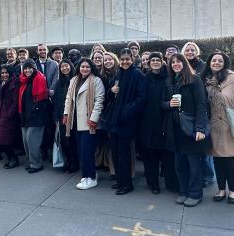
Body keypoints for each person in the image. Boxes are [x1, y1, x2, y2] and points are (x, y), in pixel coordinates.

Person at [163, 53, 210, 207]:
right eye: (173, 62)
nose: (176, 64)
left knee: (194, 164)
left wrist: (200, 128)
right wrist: (169, 104)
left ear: (184, 63)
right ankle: (183, 192)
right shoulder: (169, 81)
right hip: (175, 129)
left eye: (179, 61)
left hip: (190, 128)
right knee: (179, 164)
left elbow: (202, 105)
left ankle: (195, 194)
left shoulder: (194, 79)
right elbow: (161, 104)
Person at [203, 51, 234, 204]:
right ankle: (221, 189)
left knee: (229, 160)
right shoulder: (207, 81)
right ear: (209, 63)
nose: (216, 63)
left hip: (230, 125)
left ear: (225, 63)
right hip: (214, 125)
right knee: (217, 160)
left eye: (219, 61)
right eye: (213, 60)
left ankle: (233, 191)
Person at [102, 49, 147, 195]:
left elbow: (141, 99)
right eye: (122, 59)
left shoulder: (138, 74)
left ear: (132, 60)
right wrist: (111, 91)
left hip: (126, 121)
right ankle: (120, 181)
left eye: (127, 59)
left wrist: (126, 111)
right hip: (115, 120)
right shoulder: (119, 73)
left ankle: (127, 184)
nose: (125, 62)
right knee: (115, 152)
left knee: (124, 154)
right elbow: (110, 94)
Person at [64, 58, 105, 190]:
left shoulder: (96, 81)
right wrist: (66, 114)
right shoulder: (74, 80)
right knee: (82, 150)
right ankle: (86, 175)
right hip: (75, 121)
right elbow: (68, 99)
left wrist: (93, 119)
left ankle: (91, 177)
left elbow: (100, 101)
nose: (85, 69)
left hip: (89, 122)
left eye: (87, 67)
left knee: (87, 151)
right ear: (79, 68)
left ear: (91, 68)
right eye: (82, 67)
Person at [139, 52, 178, 194]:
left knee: (167, 154)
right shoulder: (144, 78)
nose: (155, 62)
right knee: (149, 155)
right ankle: (153, 183)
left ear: (162, 62)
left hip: (165, 120)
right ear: (148, 63)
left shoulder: (168, 78)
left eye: (158, 60)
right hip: (147, 122)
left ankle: (171, 183)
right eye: (152, 60)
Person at [182, 41, 214, 186]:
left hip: (202, 108)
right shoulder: (181, 66)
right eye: (187, 50)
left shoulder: (203, 66)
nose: (189, 52)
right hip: (188, 110)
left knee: (203, 146)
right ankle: (197, 175)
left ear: (197, 52)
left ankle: (207, 175)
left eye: (192, 50)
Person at [19, 60, 49, 173]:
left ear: (34, 68)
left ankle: (37, 164)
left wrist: (35, 111)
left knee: (32, 141)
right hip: (25, 115)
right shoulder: (23, 81)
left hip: (36, 116)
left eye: (29, 68)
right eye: (25, 68)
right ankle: (31, 162)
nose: (27, 70)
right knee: (26, 141)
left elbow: (43, 100)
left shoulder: (39, 79)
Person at [0, 65, 21, 168]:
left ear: (10, 73)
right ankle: (10, 158)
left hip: (8, 116)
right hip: (0, 115)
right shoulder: (2, 83)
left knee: (7, 140)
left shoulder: (14, 83)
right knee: (1, 140)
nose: (4, 75)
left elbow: (15, 101)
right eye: (2, 73)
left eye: (6, 73)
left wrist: (10, 114)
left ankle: (13, 159)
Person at [53, 60, 77, 172]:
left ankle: (75, 162)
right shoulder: (59, 82)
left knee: (73, 141)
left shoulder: (76, 80)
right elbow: (55, 101)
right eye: (62, 67)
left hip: (75, 116)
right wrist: (57, 117)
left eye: (66, 66)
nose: (64, 68)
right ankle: (69, 161)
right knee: (64, 141)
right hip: (62, 117)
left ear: (71, 67)